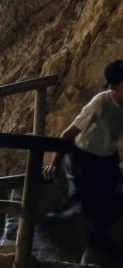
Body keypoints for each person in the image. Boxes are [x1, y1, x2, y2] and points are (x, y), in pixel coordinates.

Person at [43, 59, 123, 258]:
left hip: (107, 160)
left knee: (112, 203)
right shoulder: (100, 104)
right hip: (84, 161)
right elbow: (68, 135)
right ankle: (93, 246)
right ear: (116, 87)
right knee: (94, 208)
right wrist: (53, 164)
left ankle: (94, 236)